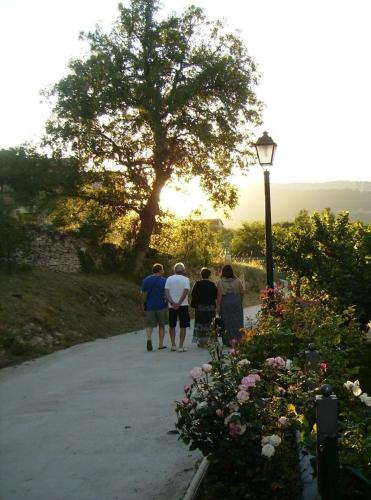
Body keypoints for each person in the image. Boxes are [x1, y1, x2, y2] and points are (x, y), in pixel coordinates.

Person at [141, 263, 168, 351]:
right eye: (162, 269)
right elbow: (165, 294)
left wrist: (143, 304)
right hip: (161, 306)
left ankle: (149, 339)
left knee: (149, 325)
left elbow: (144, 294)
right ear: (160, 270)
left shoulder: (146, 280)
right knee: (162, 325)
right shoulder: (164, 281)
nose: (163, 271)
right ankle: (160, 344)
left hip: (150, 306)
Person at [165, 262, 190, 352]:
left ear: (174, 270)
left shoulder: (169, 279)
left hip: (171, 306)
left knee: (172, 325)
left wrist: (172, 302)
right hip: (183, 305)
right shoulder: (186, 279)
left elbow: (166, 292)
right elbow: (186, 291)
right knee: (183, 325)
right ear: (183, 270)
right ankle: (181, 346)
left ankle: (173, 345)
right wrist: (179, 302)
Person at [216, 264, 244, 345]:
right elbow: (242, 292)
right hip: (236, 301)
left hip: (226, 302)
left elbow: (219, 296)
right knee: (237, 321)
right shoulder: (237, 280)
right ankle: (238, 339)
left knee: (227, 321)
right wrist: (240, 301)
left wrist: (218, 308)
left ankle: (228, 341)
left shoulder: (220, 282)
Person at [191, 267, 217, 347]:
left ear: (201, 275)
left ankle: (201, 341)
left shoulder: (197, 284)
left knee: (200, 323)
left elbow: (193, 295)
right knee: (210, 323)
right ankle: (210, 341)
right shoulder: (212, 284)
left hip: (200, 307)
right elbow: (215, 296)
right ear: (209, 275)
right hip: (210, 307)